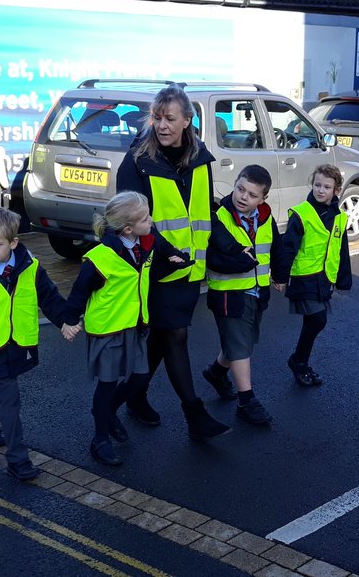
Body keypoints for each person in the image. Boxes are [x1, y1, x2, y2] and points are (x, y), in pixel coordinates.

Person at [115, 84, 229, 441]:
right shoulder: (137, 163)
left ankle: (130, 396)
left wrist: (229, 243)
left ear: (187, 120)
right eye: (157, 117)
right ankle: (194, 414)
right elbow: (129, 222)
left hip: (188, 268)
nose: (162, 125)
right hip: (153, 267)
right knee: (175, 335)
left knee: (163, 339)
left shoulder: (199, 156)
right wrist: (166, 252)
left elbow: (203, 210)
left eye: (170, 118)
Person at [62, 191, 191, 466]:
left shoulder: (146, 242)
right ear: (128, 228)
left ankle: (107, 412)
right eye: (145, 218)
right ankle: (100, 439)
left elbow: (159, 259)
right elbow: (78, 292)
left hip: (135, 325)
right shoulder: (101, 257)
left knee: (140, 379)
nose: (151, 221)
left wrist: (177, 258)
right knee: (107, 384)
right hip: (108, 329)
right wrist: (70, 321)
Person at [0, 207, 73, 481]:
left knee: (2, 388)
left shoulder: (30, 269)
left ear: (13, 243)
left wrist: (66, 320)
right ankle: (17, 460)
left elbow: (49, 297)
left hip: (19, 343)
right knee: (10, 400)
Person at [200, 165, 280, 425]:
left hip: (257, 292)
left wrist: (280, 273)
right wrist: (242, 262)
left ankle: (216, 373)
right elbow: (212, 259)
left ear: (263, 199)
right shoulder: (219, 218)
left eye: (252, 194)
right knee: (239, 344)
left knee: (241, 342)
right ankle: (247, 400)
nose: (243, 197)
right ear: (234, 185)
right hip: (228, 294)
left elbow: (275, 247)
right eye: (240, 189)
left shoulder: (266, 218)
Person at [271, 163, 352, 387]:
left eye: (326, 186)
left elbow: (342, 250)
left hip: (324, 278)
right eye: (317, 185)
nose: (320, 190)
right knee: (317, 319)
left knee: (313, 321)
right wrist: (280, 276)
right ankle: (298, 361)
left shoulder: (340, 218)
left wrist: (343, 280)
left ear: (336, 190)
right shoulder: (302, 214)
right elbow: (288, 248)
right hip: (304, 277)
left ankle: (301, 362)